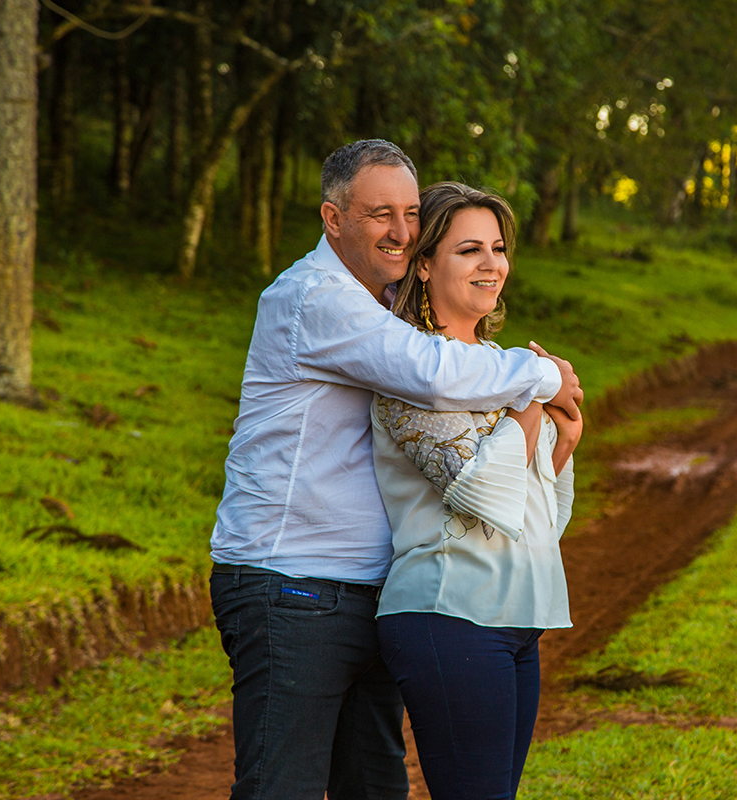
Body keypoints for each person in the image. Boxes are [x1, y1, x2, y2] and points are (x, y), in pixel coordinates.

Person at [208, 140, 583, 800]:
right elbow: (429, 374)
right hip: (292, 580)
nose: (402, 230)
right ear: (333, 219)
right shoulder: (317, 298)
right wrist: (544, 379)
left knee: (376, 786)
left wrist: (556, 422)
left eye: (411, 212)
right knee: (282, 788)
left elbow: (449, 367)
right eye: (381, 213)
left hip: (370, 587)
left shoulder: (388, 310)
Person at [371, 182, 583, 800]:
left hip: (518, 616)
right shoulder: (410, 368)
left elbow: (536, 512)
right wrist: (534, 406)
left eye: (498, 248)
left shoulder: (503, 361)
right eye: (469, 250)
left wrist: (564, 436)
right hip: (450, 611)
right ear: (426, 262)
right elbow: (478, 490)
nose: (492, 264)